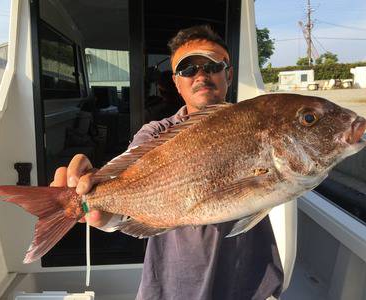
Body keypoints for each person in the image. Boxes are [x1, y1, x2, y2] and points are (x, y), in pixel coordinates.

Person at [51, 25, 283, 300]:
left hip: (251, 284)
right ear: (176, 82)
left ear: (228, 74)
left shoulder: (256, 123)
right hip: (173, 287)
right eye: (188, 69)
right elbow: (122, 204)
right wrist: (97, 209)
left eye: (212, 66)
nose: (201, 75)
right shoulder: (155, 134)